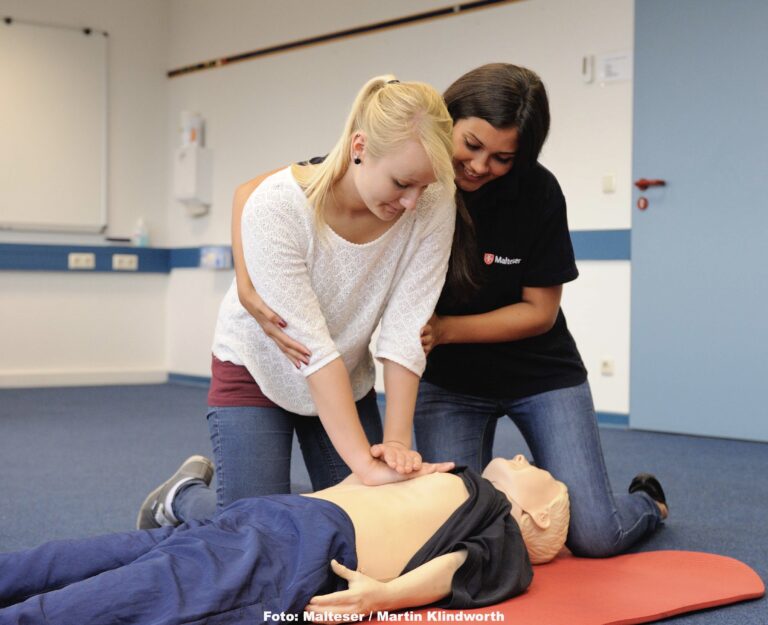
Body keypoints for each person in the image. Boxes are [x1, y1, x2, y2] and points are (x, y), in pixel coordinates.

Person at [231, 63, 668, 559]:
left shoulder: (519, 194)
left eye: (502, 157)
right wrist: (247, 283)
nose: (480, 166)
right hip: (449, 381)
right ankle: (191, 501)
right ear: (447, 123)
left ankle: (647, 503)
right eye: (472, 146)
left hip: (537, 372)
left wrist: (442, 333)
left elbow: (539, 312)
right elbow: (257, 194)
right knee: (446, 528)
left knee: (595, 535)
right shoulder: (401, 164)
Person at [138, 75, 458, 529]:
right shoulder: (279, 208)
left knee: (370, 520)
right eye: (402, 183)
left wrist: (397, 445)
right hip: (260, 366)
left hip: (344, 373)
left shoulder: (433, 200)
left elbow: (407, 326)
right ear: (359, 146)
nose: (411, 202)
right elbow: (311, 349)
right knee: (252, 533)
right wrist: (365, 468)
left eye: (422, 187)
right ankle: (182, 499)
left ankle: (298, 505)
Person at [0, 457, 568, 624]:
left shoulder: (500, 526)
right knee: (95, 557)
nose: (521, 457)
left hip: (297, 550)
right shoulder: (456, 476)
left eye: (538, 473)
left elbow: (457, 568)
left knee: (142, 588)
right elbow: (353, 487)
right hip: (285, 515)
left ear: (534, 517)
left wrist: (381, 596)